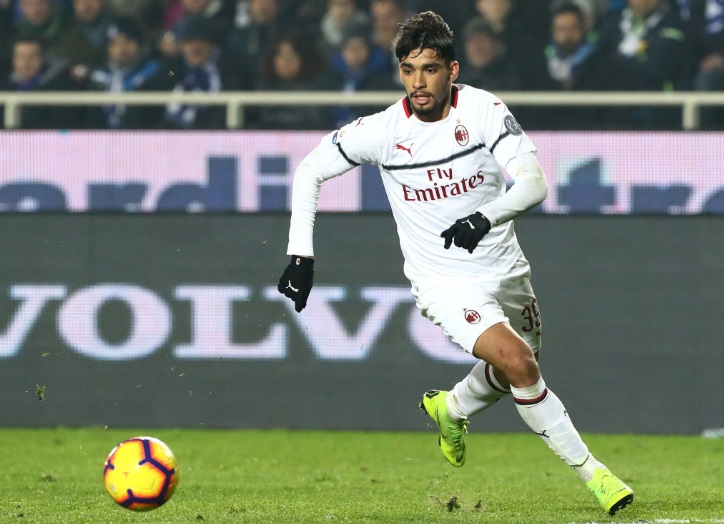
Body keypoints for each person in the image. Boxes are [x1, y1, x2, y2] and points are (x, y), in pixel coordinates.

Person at [276, 11, 635, 516]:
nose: (418, 82)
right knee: (519, 363)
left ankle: (453, 406)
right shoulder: (383, 131)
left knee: (518, 366)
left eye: (429, 69)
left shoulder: (484, 111)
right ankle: (596, 475)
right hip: (442, 281)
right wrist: (301, 254)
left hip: (506, 268)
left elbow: (535, 184)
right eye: (408, 70)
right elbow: (310, 169)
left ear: (452, 70)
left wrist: (485, 218)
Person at [1, 34, 84, 129]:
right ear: (13, 59)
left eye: (32, 56)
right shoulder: (4, 85)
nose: (26, 62)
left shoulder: (61, 86)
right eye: (20, 56)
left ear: (43, 58)